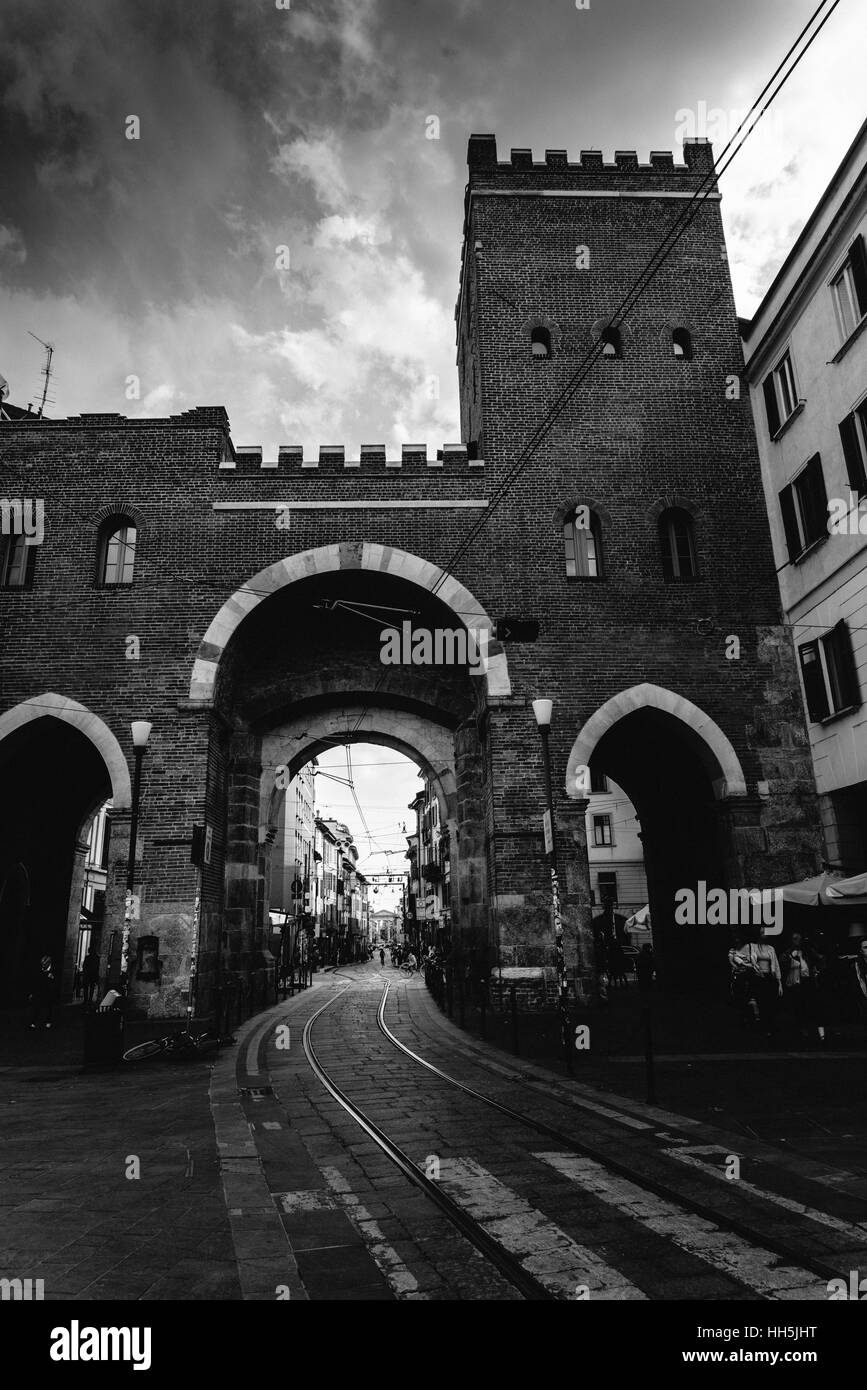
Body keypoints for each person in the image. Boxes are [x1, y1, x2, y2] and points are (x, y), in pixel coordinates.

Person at [780, 932, 825, 1043]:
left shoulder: (808, 950)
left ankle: (819, 1035)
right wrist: (791, 956)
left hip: (809, 981)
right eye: (795, 938)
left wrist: (818, 971)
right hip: (797, 983)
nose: (797, 941)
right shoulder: (789, 951)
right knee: (799, 1007)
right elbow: (782, 960)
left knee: (814, 1007)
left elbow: (821, 958)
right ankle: (803, 1033)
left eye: (799, 938)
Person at [29, 955, 58, 1030]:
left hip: (49, 992)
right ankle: (33, 1022)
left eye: (45, 965)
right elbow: (36, 982)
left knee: (49, 1007)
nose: (43, 966)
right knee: (37, 1006)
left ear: (49, 964)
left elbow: (55, 983)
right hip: (40, 991)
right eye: (42, 965)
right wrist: (32, 993)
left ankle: (48, 1021)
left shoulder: (53, 971)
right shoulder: (40, 970)